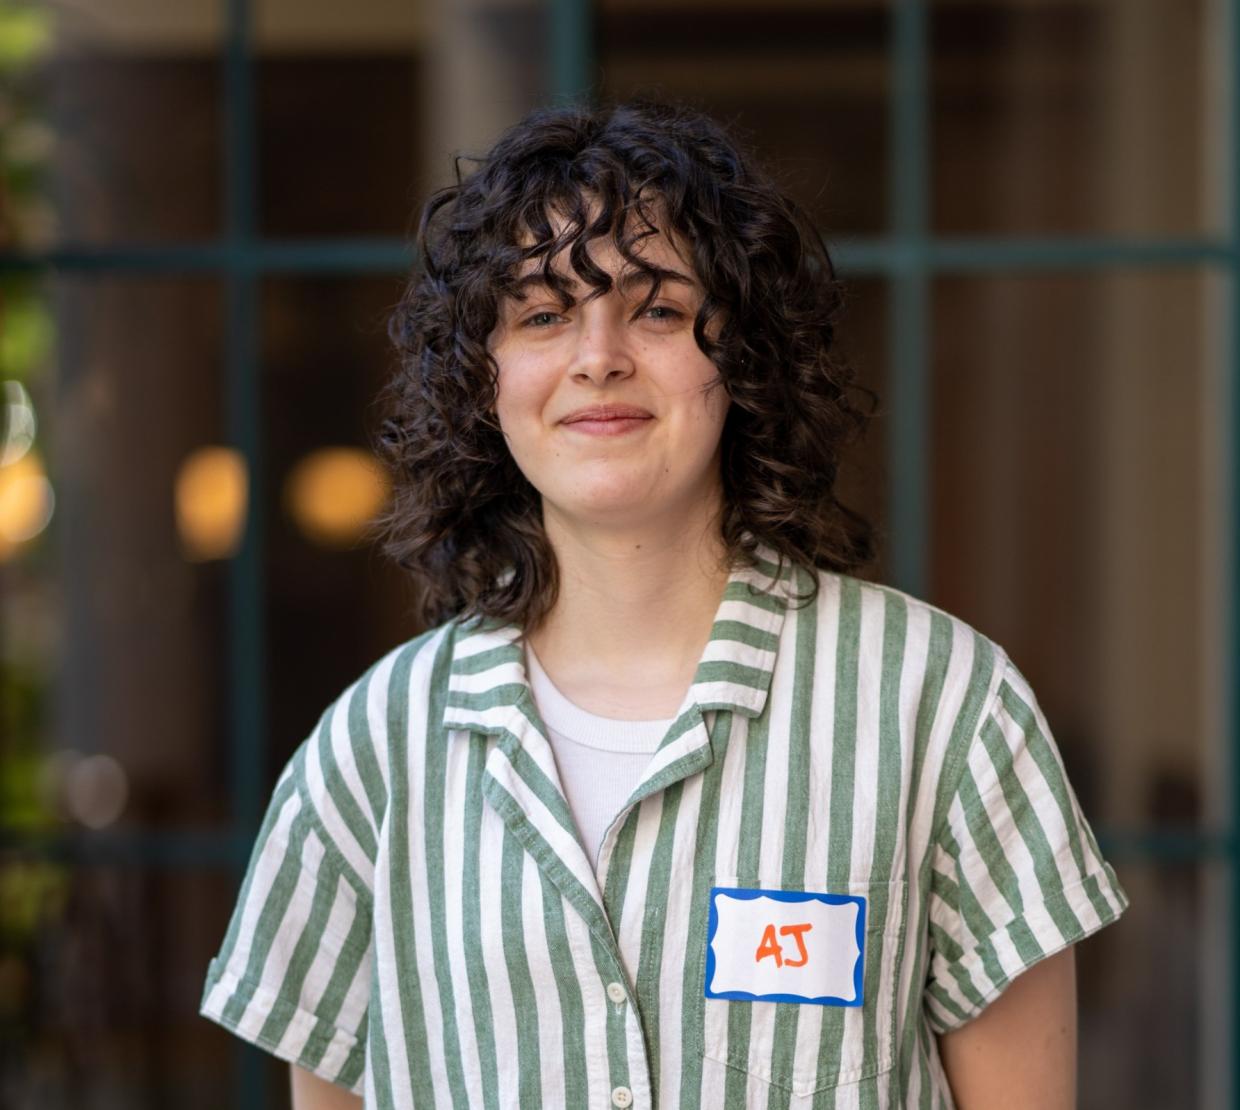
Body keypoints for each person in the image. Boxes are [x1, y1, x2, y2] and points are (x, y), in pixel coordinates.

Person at [199, 99, 1129, 1109]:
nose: (598, 356)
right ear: (485, 377)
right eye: (543, 313)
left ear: (741, 358)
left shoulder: (940, 708)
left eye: (656, 309)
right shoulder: (374, 752)